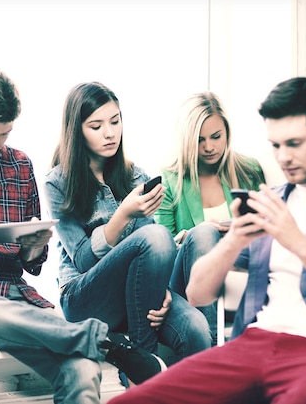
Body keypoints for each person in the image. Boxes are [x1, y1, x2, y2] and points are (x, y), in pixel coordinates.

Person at [0, 68, 168, 404]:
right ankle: (105, 342)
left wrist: (33, 246)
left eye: (4, 134)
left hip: (13, 302)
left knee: (82, 369)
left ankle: (94, 347)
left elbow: (32, 265)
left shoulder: (19, 165)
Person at [108, 77, 306, 404]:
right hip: (252, 345)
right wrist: (234, 239)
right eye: (276, 146)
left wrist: (297, 241)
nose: (283, 158)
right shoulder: (271, 200)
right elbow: (196, 294)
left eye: (294, 144)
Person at [44, 82, 211, 386]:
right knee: (156, 236)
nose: (110, 132)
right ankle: (140, 368)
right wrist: (123, 215)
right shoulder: (58, 183)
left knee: (197, 329)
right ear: (77, 130)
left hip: (137, 295)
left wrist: (160, 294)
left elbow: (154, 252)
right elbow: (82, 259)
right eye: (96, 125)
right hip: (84, 297)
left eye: (115, 121)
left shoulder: (135, 176)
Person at [154, 91, 265, 344]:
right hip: (188, 282)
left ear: (227, 132)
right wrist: (199, 233)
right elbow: (161, 248)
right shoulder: (169, 180)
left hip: (239, 270)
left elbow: (266, 232)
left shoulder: (249, 171)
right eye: (199, 139)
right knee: (204, 234)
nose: (209, 147)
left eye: (216, 137)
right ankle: (215, 348)